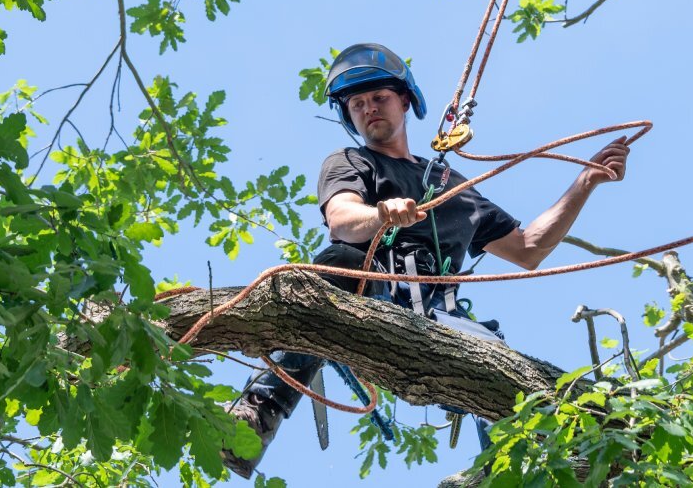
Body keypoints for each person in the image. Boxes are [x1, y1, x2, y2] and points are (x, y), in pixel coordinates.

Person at [222, 43, 630, 478]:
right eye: (357, 104)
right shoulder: (351, 162)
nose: (368, 108)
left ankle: (520, 473)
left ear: (405, 100)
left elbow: (528, 248)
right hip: (370, 301)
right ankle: (259, 410)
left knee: (502, 364)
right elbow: (341, 220)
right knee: (339, 260)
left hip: (439, 322)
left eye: (379, 97)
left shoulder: (452, 186)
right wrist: (381, 212)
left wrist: (585, 182)